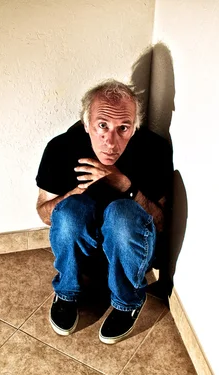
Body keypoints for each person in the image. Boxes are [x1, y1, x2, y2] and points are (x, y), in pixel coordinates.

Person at [35, 80, 173, 344]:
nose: (111, 141)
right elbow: (44, 213)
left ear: (135, 127)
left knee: (122, 213)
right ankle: (67, 292)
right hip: (84, 255)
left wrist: (126, 186)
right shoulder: (61, 148)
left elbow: (162, 222)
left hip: (131, 254)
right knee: (71, 212)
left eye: (123, 128)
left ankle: (126, 302)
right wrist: (73, 195)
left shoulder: (153, 150)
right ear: (86, 124)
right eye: (102, 126)